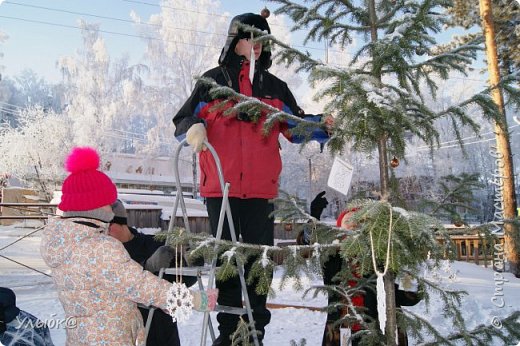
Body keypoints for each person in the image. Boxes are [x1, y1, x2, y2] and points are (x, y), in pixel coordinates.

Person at [172, 10, 330, 346]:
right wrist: (194, 129)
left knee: (259, 262)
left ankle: (255, 331)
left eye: (262, 40)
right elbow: (181, 121)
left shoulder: (275, 88)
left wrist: (324, 125)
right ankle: (230, 334)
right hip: (221, 189)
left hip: (261, 191)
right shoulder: (211, 83)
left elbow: (295, 128)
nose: (256, 45)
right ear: (235, 41)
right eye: (249, 38)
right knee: (229, 259)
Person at [40, 146, 218, 346]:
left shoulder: (63, 243)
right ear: (94, 206)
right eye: (107, 203)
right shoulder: (100, 247)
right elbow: (140, 285)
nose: (110, 209)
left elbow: (104, 292)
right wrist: (192, 300)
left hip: (81, 338)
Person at [299, 202, 422, 346]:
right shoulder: (332, 254)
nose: (354, 224)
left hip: (377, 332)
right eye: (348, 220)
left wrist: (410, 272)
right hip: (340, 332)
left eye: (359, 221)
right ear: (340, 227)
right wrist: (313, 220)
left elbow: (409, 298)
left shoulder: (382, 257)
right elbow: (306, 247)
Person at [108, 199, 200, 346]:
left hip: (165, 333)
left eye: (109, 225)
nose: (104, 231)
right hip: (131, 334)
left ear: (121, 222)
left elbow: (180, 283)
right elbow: (118, 283)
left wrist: (192, 263)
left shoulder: (153, 243)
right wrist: (148, 266)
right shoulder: (106, 254)